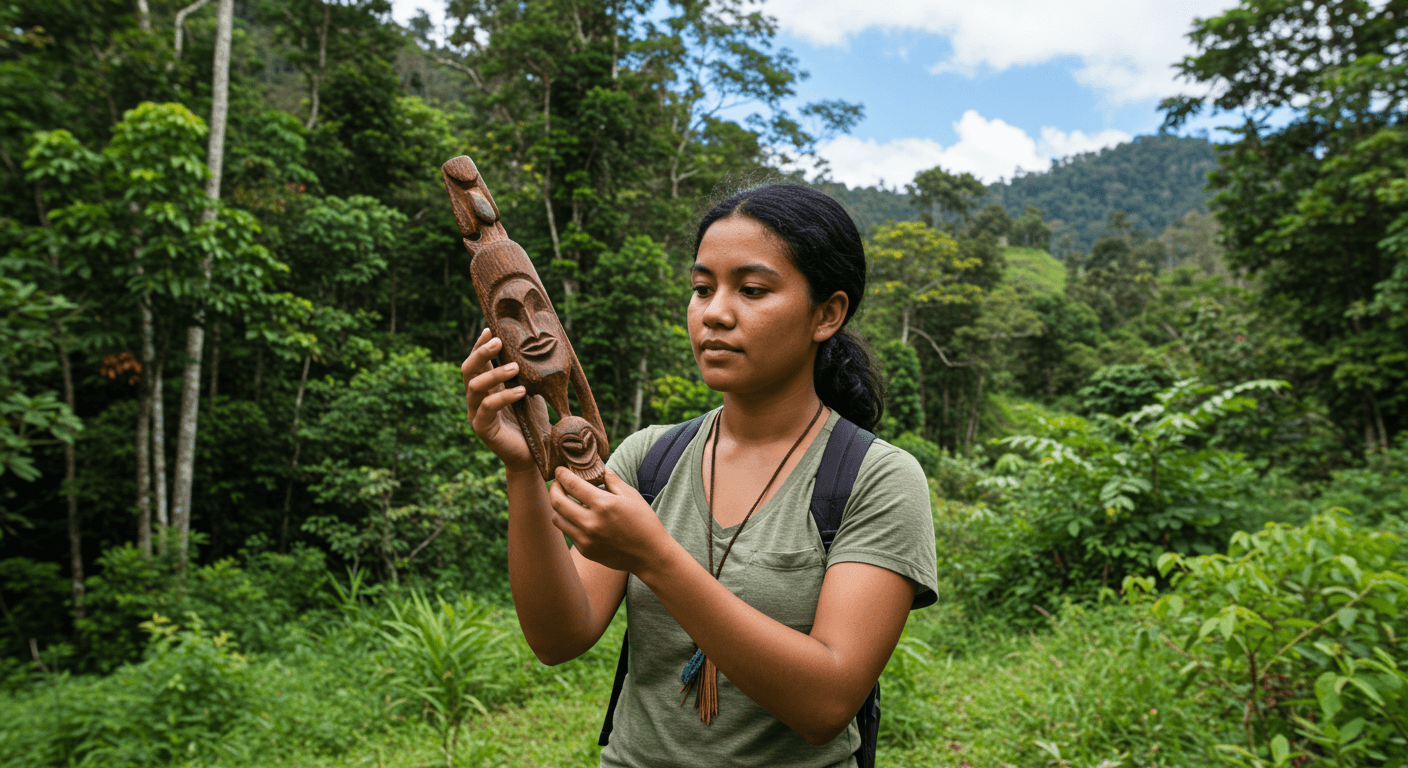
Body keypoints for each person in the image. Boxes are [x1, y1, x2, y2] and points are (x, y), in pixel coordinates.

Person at [460, 182, 938, 767]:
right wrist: (522, 466)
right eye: (701, 288)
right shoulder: (648, 459)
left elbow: (827, 703)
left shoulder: (875, 479)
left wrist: (655, 556)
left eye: (753, 289)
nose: (714, 313)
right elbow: (560, 637)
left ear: (827, 314)